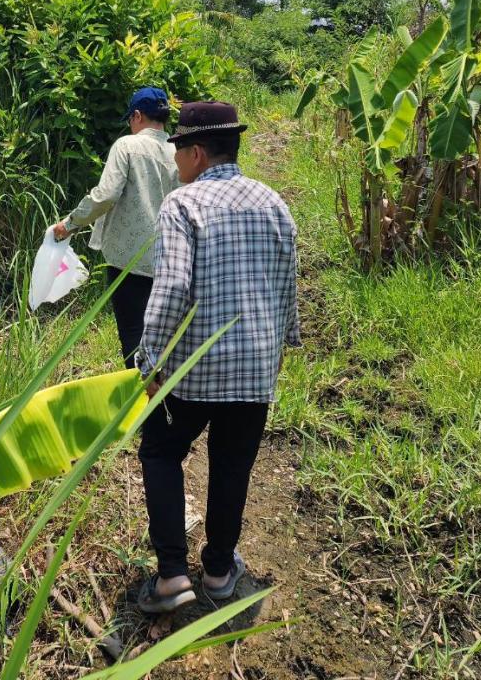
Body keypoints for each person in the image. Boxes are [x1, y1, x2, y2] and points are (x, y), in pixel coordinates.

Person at [132, 100, 301, 613]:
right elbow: (286, 286)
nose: (175, 161)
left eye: (178, 150)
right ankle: (221, 570)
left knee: (160, 452)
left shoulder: (183, 205)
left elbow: (171, 288)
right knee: (232, 467)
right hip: (254, 368)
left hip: (193, 370)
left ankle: (172, 578)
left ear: (198, 153)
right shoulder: (274, 202)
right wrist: (282, 345)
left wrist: (150, 362)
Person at [50, 87, 178, 365]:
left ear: (137, 116)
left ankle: (139, 399)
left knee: (134, 335)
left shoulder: (127, 146)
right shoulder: (180, 151)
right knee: (166, 338)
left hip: (129, 261)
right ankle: (164, 400)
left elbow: (106, 195)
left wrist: (69, 225)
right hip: (171, 260)